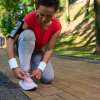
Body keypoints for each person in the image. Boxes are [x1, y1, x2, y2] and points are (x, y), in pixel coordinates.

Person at [7, 0, 62, 90]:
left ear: (55, 12)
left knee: (48, 78)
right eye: (41, 14)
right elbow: (10, 41)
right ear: (37, 10)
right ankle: (25, 77)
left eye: (49, 16)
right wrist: (14, 67)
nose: (44, 19)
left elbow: (49, 49)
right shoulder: (30, 18)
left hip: (36, 51)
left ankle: (31, 64)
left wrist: (40, 68)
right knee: (28, 34)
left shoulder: (57, 27)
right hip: (21, 47)